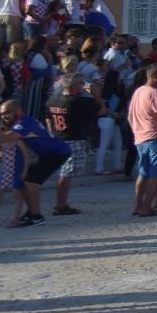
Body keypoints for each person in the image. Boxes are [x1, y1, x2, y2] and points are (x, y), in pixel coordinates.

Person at [44, 73, 100, 216]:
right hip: (74, 138)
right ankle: (60, 205)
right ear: (74, 85)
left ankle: (61, 203)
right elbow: (101, 109)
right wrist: (95, 94)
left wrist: (52, 136)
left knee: (65, 173)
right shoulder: (80, 101)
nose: (82, 85)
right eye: (80, 83)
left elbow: (48, 119)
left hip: (59, 138)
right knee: (67, 173)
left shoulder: (53, 100)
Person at [128, 63, 157, 217]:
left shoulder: (138, 91)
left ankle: (138, 205)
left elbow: (130, 115)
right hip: (154, 137)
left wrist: (136, 130)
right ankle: (146, 207)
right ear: (154, 76)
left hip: (140, 137)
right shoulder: (155, 93)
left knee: (144, 173)